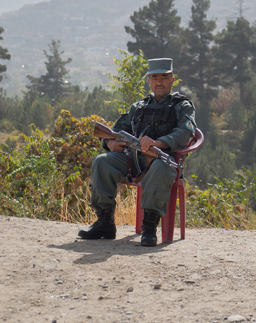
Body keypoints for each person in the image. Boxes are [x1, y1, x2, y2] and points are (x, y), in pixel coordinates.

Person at [78, 57, 195, 246]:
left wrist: (156, 143)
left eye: (164, 77)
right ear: (148, 80)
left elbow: (185, 133)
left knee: (159, 168)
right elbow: (115, 130)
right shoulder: (139, 107)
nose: (159, 82)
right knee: (102, 161)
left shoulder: (182, 106)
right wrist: (109, 143)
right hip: (133, 160)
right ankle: (105, 223)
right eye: (155, 77)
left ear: (172, 79)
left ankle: (149, 227)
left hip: (163, 161)